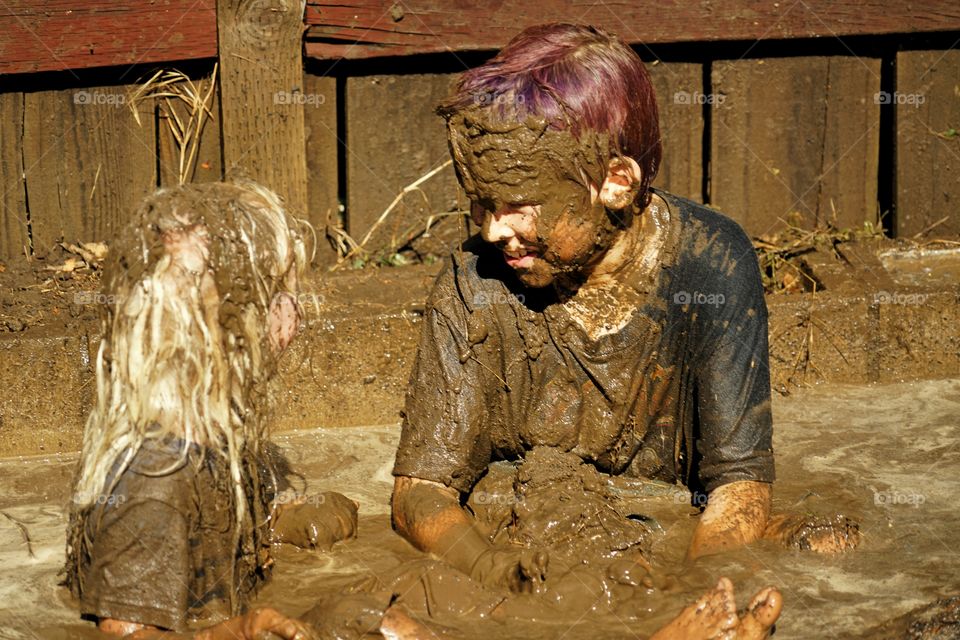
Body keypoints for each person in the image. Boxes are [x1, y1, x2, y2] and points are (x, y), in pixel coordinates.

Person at [390, 22, 853, 636]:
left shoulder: (711, 262)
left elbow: (739, 490)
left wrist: (692, 602)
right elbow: (419, 491)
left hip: (666, 529)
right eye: (480, 204)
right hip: (535, 529)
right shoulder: (475, 284)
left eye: (516, 206)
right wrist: (489, 567)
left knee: (833, 542)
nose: (493, 231)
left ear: (616, 182)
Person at [63, 180, 319, 639]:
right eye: (279, 291)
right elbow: (127, 632)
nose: (296, 309)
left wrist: (280, 524)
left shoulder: (208, 438)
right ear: (224, 329)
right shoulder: (152, 480)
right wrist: (242, 631)